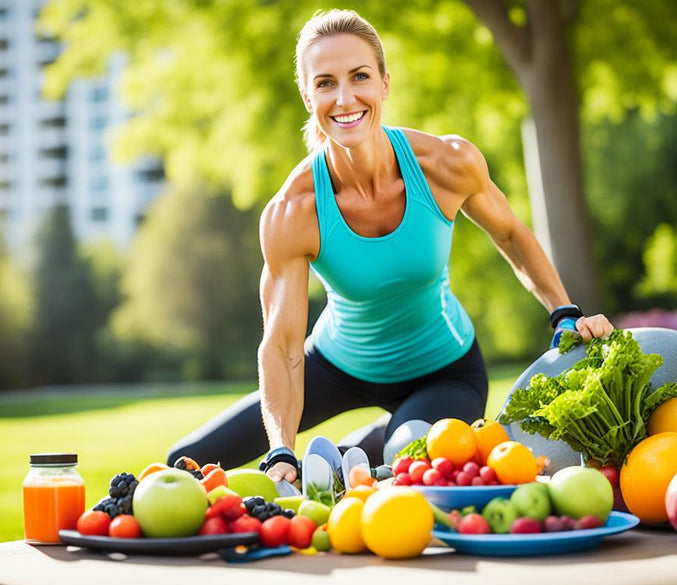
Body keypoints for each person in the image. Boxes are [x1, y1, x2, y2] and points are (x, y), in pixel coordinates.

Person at [167, 9, 613, 483]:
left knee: (413, 463)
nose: (344, 98)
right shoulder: (294, 211)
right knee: (186, 461)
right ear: (307, 96)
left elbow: (509, 233)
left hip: (444, 370)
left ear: (384, 84)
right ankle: (356, 454)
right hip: (338, 364)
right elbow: (282, 347)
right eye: (325, 83)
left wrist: (563, 312)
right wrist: (281, 450)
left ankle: (361, 451)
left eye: (359, 76)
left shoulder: (445, 163)